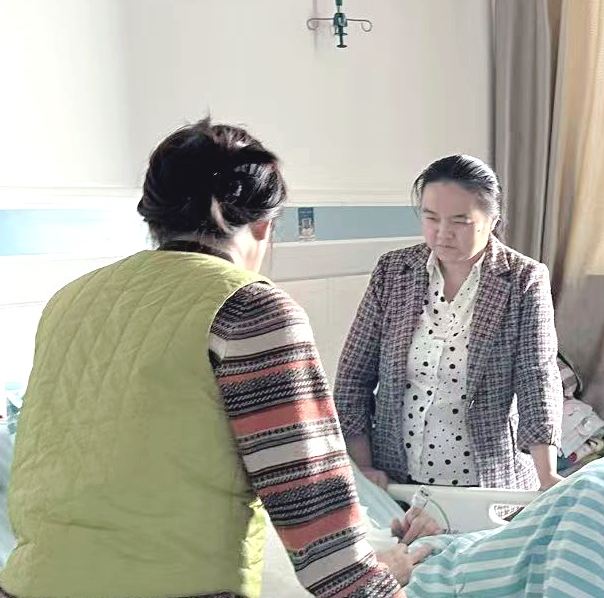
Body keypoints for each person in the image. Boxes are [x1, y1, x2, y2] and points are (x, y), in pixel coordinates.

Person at [0, 119, 423, 598]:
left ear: (154, 219)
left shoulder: (68, 301)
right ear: (264, 225)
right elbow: (319, 525)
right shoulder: (250, 309)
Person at [334, 156, 563, 492]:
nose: (443, 233)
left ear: (492, 221)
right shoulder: (393, 271)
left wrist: (548, 476)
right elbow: (354, 375)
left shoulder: (523, 279)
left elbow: (537, 377)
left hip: (487, 480)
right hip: (396, 476)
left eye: (460, 221)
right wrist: (364, 466)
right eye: (431, 218)